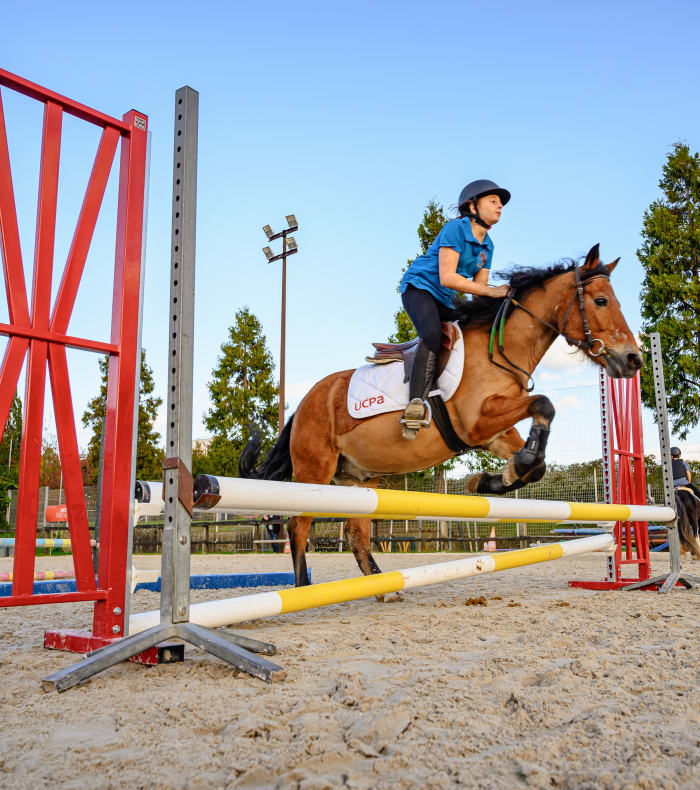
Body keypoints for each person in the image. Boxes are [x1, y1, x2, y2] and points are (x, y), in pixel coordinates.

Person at [399, 179, 511, 439]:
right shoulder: (455, 229)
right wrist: (493, 291)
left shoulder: (488, 247)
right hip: (420, 289)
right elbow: (448, 277)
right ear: (472, 206)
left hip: (445, 300)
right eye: (493, 201)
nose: (500, 206)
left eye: (501, 203)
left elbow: (478, 289)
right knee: (432, 335)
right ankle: (415, 404)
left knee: (473, 332)